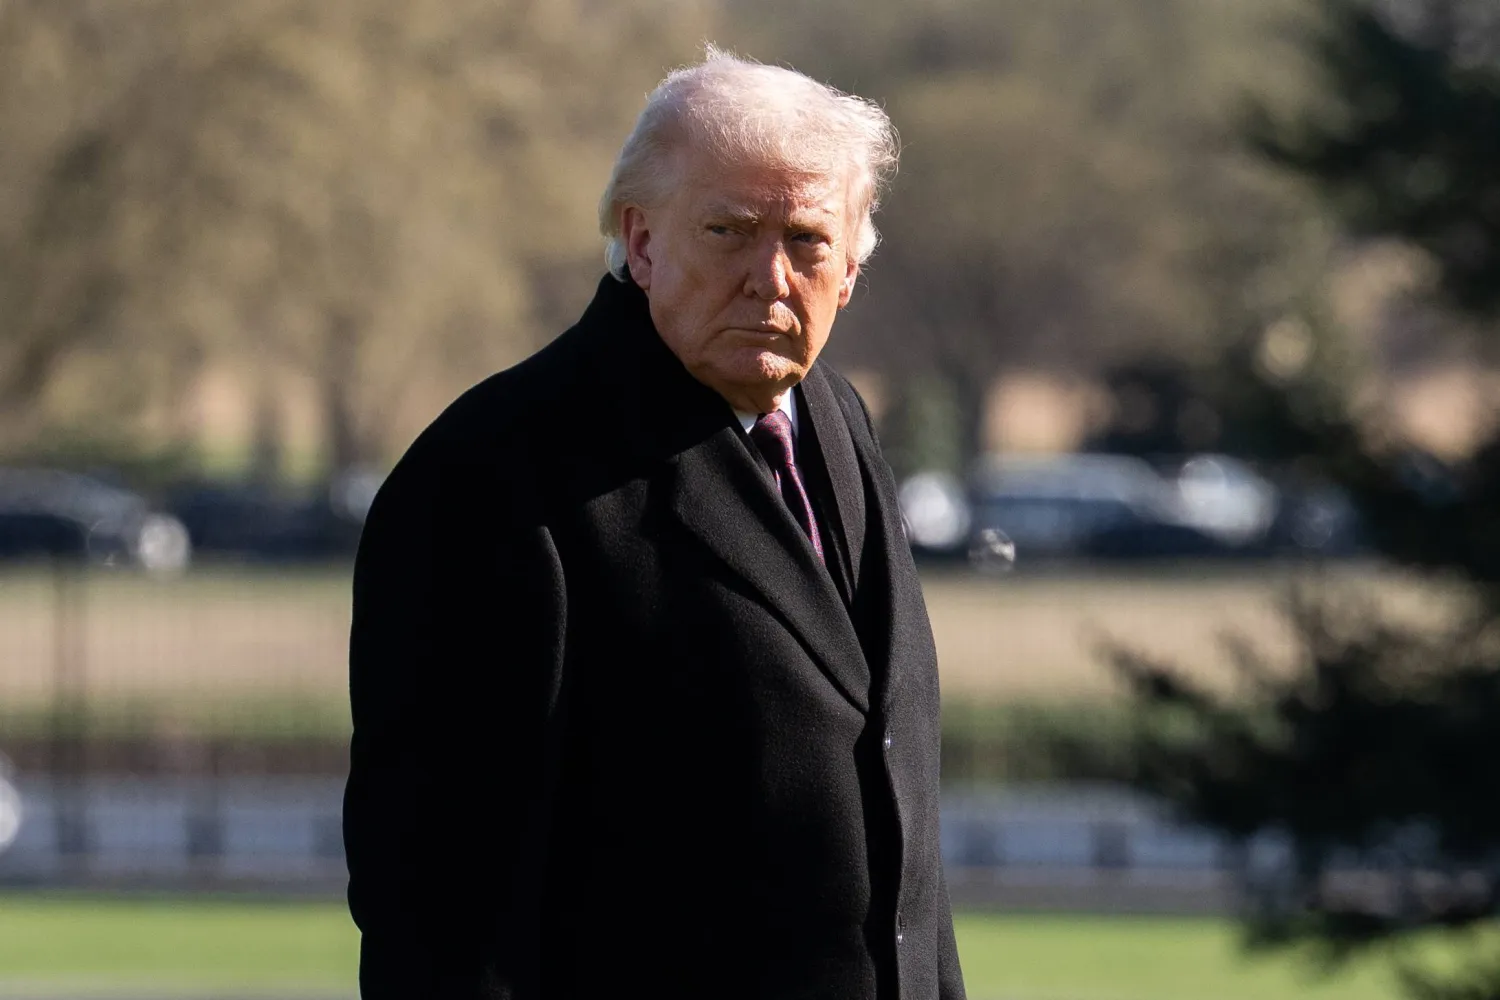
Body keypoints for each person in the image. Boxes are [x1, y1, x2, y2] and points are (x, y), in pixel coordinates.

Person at [343, 48, 967, 1000]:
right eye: (727, 230)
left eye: (807, 240)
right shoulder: (495, 477)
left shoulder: (834, 420)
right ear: (639, 241)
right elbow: (437, 909)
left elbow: (895, 836)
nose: (770, 277)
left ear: (852, 269)